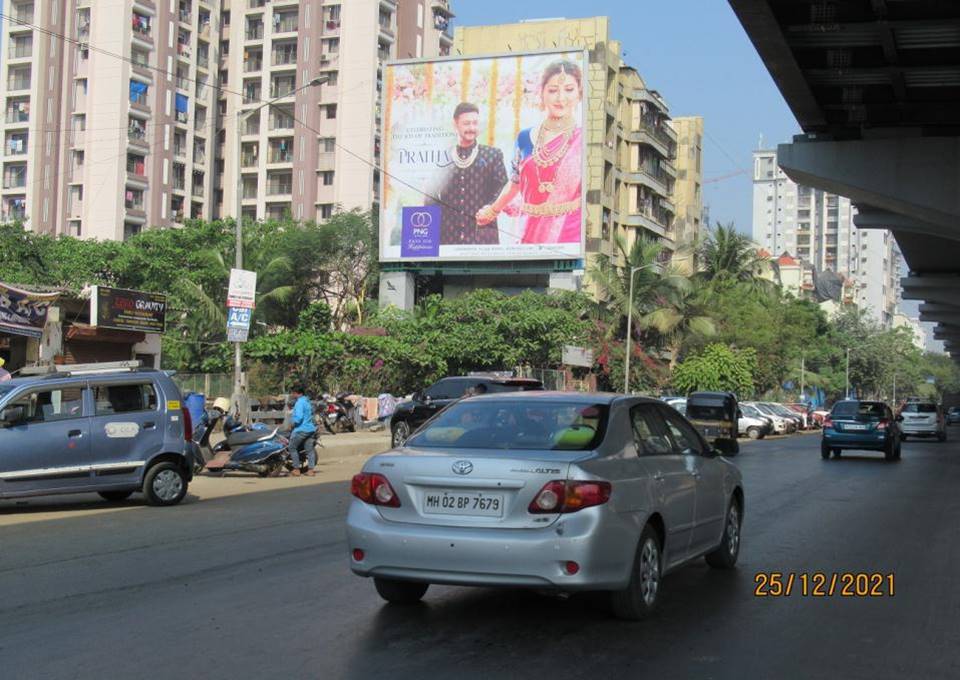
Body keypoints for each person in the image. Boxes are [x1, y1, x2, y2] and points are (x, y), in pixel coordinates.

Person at [477, 60, 584, 244]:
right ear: (542, 94)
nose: (561, 98)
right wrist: (493, 210)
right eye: (552, 90)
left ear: (579, 94)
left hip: (569, 230)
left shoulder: (582, 138)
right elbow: (515, 183)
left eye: (568, 89)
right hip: (529, 229)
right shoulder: (524, 137)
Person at [426, 102, 509, 245]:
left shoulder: (492, 155)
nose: (472, 128)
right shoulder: (441, 157)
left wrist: (489, 209)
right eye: (466, 123)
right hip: (448, 237)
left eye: (475, 123)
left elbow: (502, 188)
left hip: (483, 235)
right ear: (455, 124)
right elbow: (430, 195)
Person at [287, 384, 317, 477]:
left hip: (301, 429)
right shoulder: (307, 401)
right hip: (310, 429)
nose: (292, 394)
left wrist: (292, 424)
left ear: (297, 393)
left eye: (293, 393)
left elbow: (298, 418)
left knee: (292, 447)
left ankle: (296, 469)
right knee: (310, 450)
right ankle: (311, 470)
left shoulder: (299, 403)